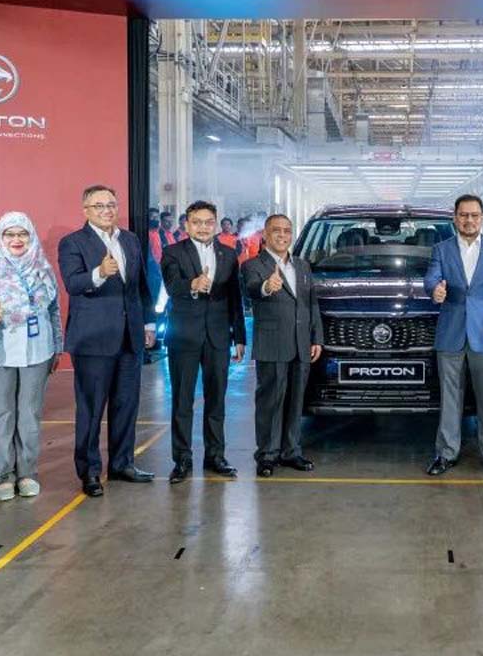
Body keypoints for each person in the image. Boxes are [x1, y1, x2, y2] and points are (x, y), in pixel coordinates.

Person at [58, 185, 157, 498]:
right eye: (99, 206)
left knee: (126, 405)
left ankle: (122, 464)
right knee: (91, 408)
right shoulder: (73, 242)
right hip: (93, 339)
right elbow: (73, 283)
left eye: (111, 204)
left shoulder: (129, 240)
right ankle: (89, 471)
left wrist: (149, 323)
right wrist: (99, 273)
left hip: (130, 337)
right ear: (85, 210)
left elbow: (141, 285)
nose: (106, 210)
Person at [0, 212, 63, 501]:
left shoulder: (43, 269)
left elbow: (54, 310)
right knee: (1, 416)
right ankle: (3, 476)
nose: (16, 240)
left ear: (31, 236)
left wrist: (57, 346)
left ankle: (27, 473)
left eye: (22, 234)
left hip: (38, 351)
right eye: (10, 234)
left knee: (30, 416)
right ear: (1, 237)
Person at [424, 194, 483, 478]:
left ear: (482, 218)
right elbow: (431, 278)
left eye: (474, 215)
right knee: (450, 398)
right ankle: (446, 453)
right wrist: (435, 290)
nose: (469, 220)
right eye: (463, 215)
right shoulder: (441, 249)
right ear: (455, 218)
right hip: (451, 332)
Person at [161, 200, 247, 483]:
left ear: (216, 224)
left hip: (218, 337)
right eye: (197, 222)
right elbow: (172, 286)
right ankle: (182, 459)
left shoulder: (228, 254)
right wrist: (192, 285)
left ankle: (215, 456)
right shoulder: (172, 252)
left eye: (208, 222)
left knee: (216, 400)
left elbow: (235, 298)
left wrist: (239, 336)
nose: (203, 227)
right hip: (184, 336)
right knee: (182, 401)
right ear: (187, 225)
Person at [244, 214, 323, 477]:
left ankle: (291, 451)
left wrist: (316, 338)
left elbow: (311, 304)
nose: (282, 235)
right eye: (276, 230)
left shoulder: (302, 266)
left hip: (301, 343)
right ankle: (267, 455)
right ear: (265, 235)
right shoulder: (253, 265)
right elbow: (252, 288)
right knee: (271, 401)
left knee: (295, 401)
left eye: (287, 231)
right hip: (272, 343)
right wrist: (267, 286)